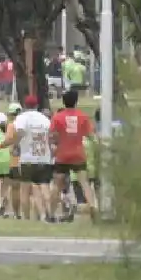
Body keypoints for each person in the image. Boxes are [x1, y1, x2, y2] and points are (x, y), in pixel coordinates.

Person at [4, 94, 53, 221]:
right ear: (37, 105)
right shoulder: (45, 119)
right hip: (44, 158)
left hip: (27, 159)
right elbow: (51, 136)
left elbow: (19, 132)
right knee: (44, 186)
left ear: (25, 105)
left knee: (25, 189)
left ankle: (26, 217)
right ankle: (48, 212)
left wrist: (16, 145)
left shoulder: (22, 118)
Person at [50, 89, 96, 220]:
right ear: (76, 101)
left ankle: (51, 214)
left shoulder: (57, 117)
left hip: (62, 154)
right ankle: (92, 205)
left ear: (63, 102)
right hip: (78, 154)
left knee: (57, 185)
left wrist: (55, 145)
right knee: (84, 183)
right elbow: (90, 135)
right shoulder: (83, 116)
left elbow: (52, 136)